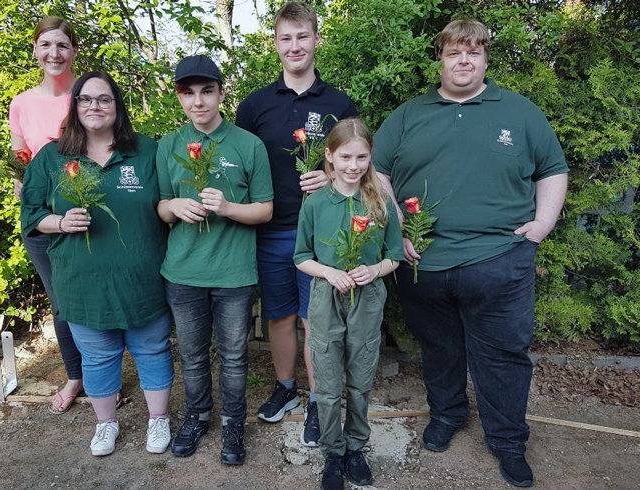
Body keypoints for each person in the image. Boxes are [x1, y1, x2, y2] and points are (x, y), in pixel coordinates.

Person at [373, 20, 569, 488]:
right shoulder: (406, 115)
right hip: (424, 262)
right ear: (439, 59)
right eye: (454, 53)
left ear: (485, 59)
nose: (464, 61)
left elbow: (553, 169)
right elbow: (376, 175)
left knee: (503, 355)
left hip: (501, 259)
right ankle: (446, 415)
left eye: (474, 53)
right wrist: (393, 230)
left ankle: (507, 441)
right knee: (439, 349)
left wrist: (541, 226)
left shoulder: (520, 112)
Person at [21, 72, 173, 457]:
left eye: (104, 99)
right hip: (81, 280)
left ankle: (159, 419)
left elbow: (168, 201)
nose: (94, 107)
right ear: (74, 107)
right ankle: (106, 424)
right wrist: (60, 222)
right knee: (98, 355)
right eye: (85, 100)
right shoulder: (52, 157)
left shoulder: (147, 151)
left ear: (117, 106)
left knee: (152, 348)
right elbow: (31, 214)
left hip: (142, 278)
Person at [235, 1, 358, 447]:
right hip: (270, 231)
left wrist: (329, 175)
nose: (295, 46)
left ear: (316, 40)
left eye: (302, 36)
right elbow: (238, 168)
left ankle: (318, 401)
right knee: (280, 316)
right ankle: (286, 389)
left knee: (316, 320)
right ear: (275, 45)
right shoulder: (255, 105)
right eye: (285, 38)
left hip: (322, 234)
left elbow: (357, 162)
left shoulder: (339, 103)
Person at [156, 55, 274, 465]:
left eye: (207, 91)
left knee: (235, 355)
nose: (198, 101)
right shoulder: (168, 145)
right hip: (183, 270)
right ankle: (197, 415)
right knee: (190, 353)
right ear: (179, 97)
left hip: (233, 273)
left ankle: (233, 422)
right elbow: (159, 206)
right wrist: (174, 206)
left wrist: (226, 207)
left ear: (222, 93)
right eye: (189, 93)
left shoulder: (248, 145)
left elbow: (265, 210)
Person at [294, 118, 403, 490]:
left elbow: (394, 255)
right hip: (327, 296)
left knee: (359, 378)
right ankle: (332, 451)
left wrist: (374, 270)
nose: (353, 165)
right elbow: (301, 257)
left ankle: (356, 446)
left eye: (361, 157)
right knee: (326, 381)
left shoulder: (380, 202)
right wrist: (327, 272)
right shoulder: (315, 203)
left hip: (367, 297)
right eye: (345, 157)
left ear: (370, 157)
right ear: (329, 156)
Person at [9, 16, 84, 414]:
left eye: (62, 45)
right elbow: (20, 159)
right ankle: (76, 375)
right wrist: (21, 184)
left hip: (84, 216)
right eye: (46, 45)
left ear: (73, 51)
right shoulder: (21, 103)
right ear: (36, 50)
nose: (54, 53)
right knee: (60, 303)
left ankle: (102, 377)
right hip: (40, 221)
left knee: (89, 296)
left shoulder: (88, 96)